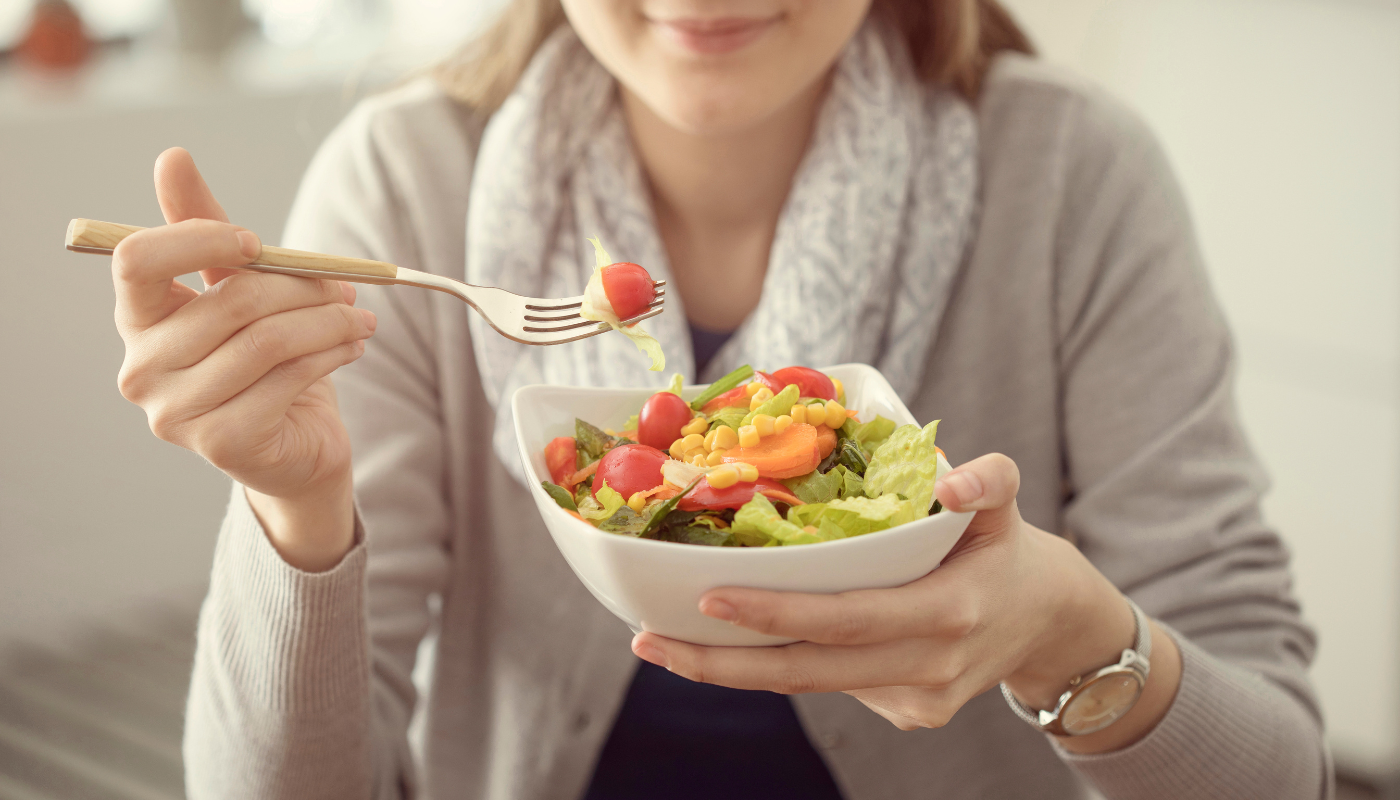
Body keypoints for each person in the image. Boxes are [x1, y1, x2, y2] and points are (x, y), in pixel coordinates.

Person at [106, 0, 1333, 797]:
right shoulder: (403, 180)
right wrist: (297, 510)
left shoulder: (1074, 175)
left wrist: (1067, 630)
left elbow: (1282, 769)